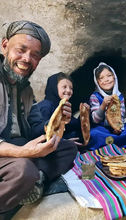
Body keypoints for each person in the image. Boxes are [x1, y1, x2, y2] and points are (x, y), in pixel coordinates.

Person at [0, 21, 77, 217]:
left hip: (18, 147)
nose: (27, 59)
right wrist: (22, 152)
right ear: (4, 45)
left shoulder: (26, 89)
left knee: (67, 147)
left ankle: (38, 181)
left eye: (35, 55)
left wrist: (58, 123)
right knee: (23, 170)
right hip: (6, 152)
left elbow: (36, 127)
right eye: (21, 50)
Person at [88, 62, 126, 150]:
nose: (106, 80)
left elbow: (121, 116)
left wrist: (119, 127)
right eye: (101, 78)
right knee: (94, 133)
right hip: (103, 129)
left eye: (109, 75)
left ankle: (113, 143)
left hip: (117, 130)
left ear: (114, 77)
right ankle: (119, 143)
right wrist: (103, 105)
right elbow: (95, 120)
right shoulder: (95, 96)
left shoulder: (119, 96)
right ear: (97, 82)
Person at [28, 72, 89, 145]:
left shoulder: (62, 105)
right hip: (46, 144)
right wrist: (63, 141)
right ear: (54, 88)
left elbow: (72, 124)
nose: (69, 91)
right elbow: (40, 133)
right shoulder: (46, 106)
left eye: (71, 88)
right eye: (64, 87)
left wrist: (85, 114)